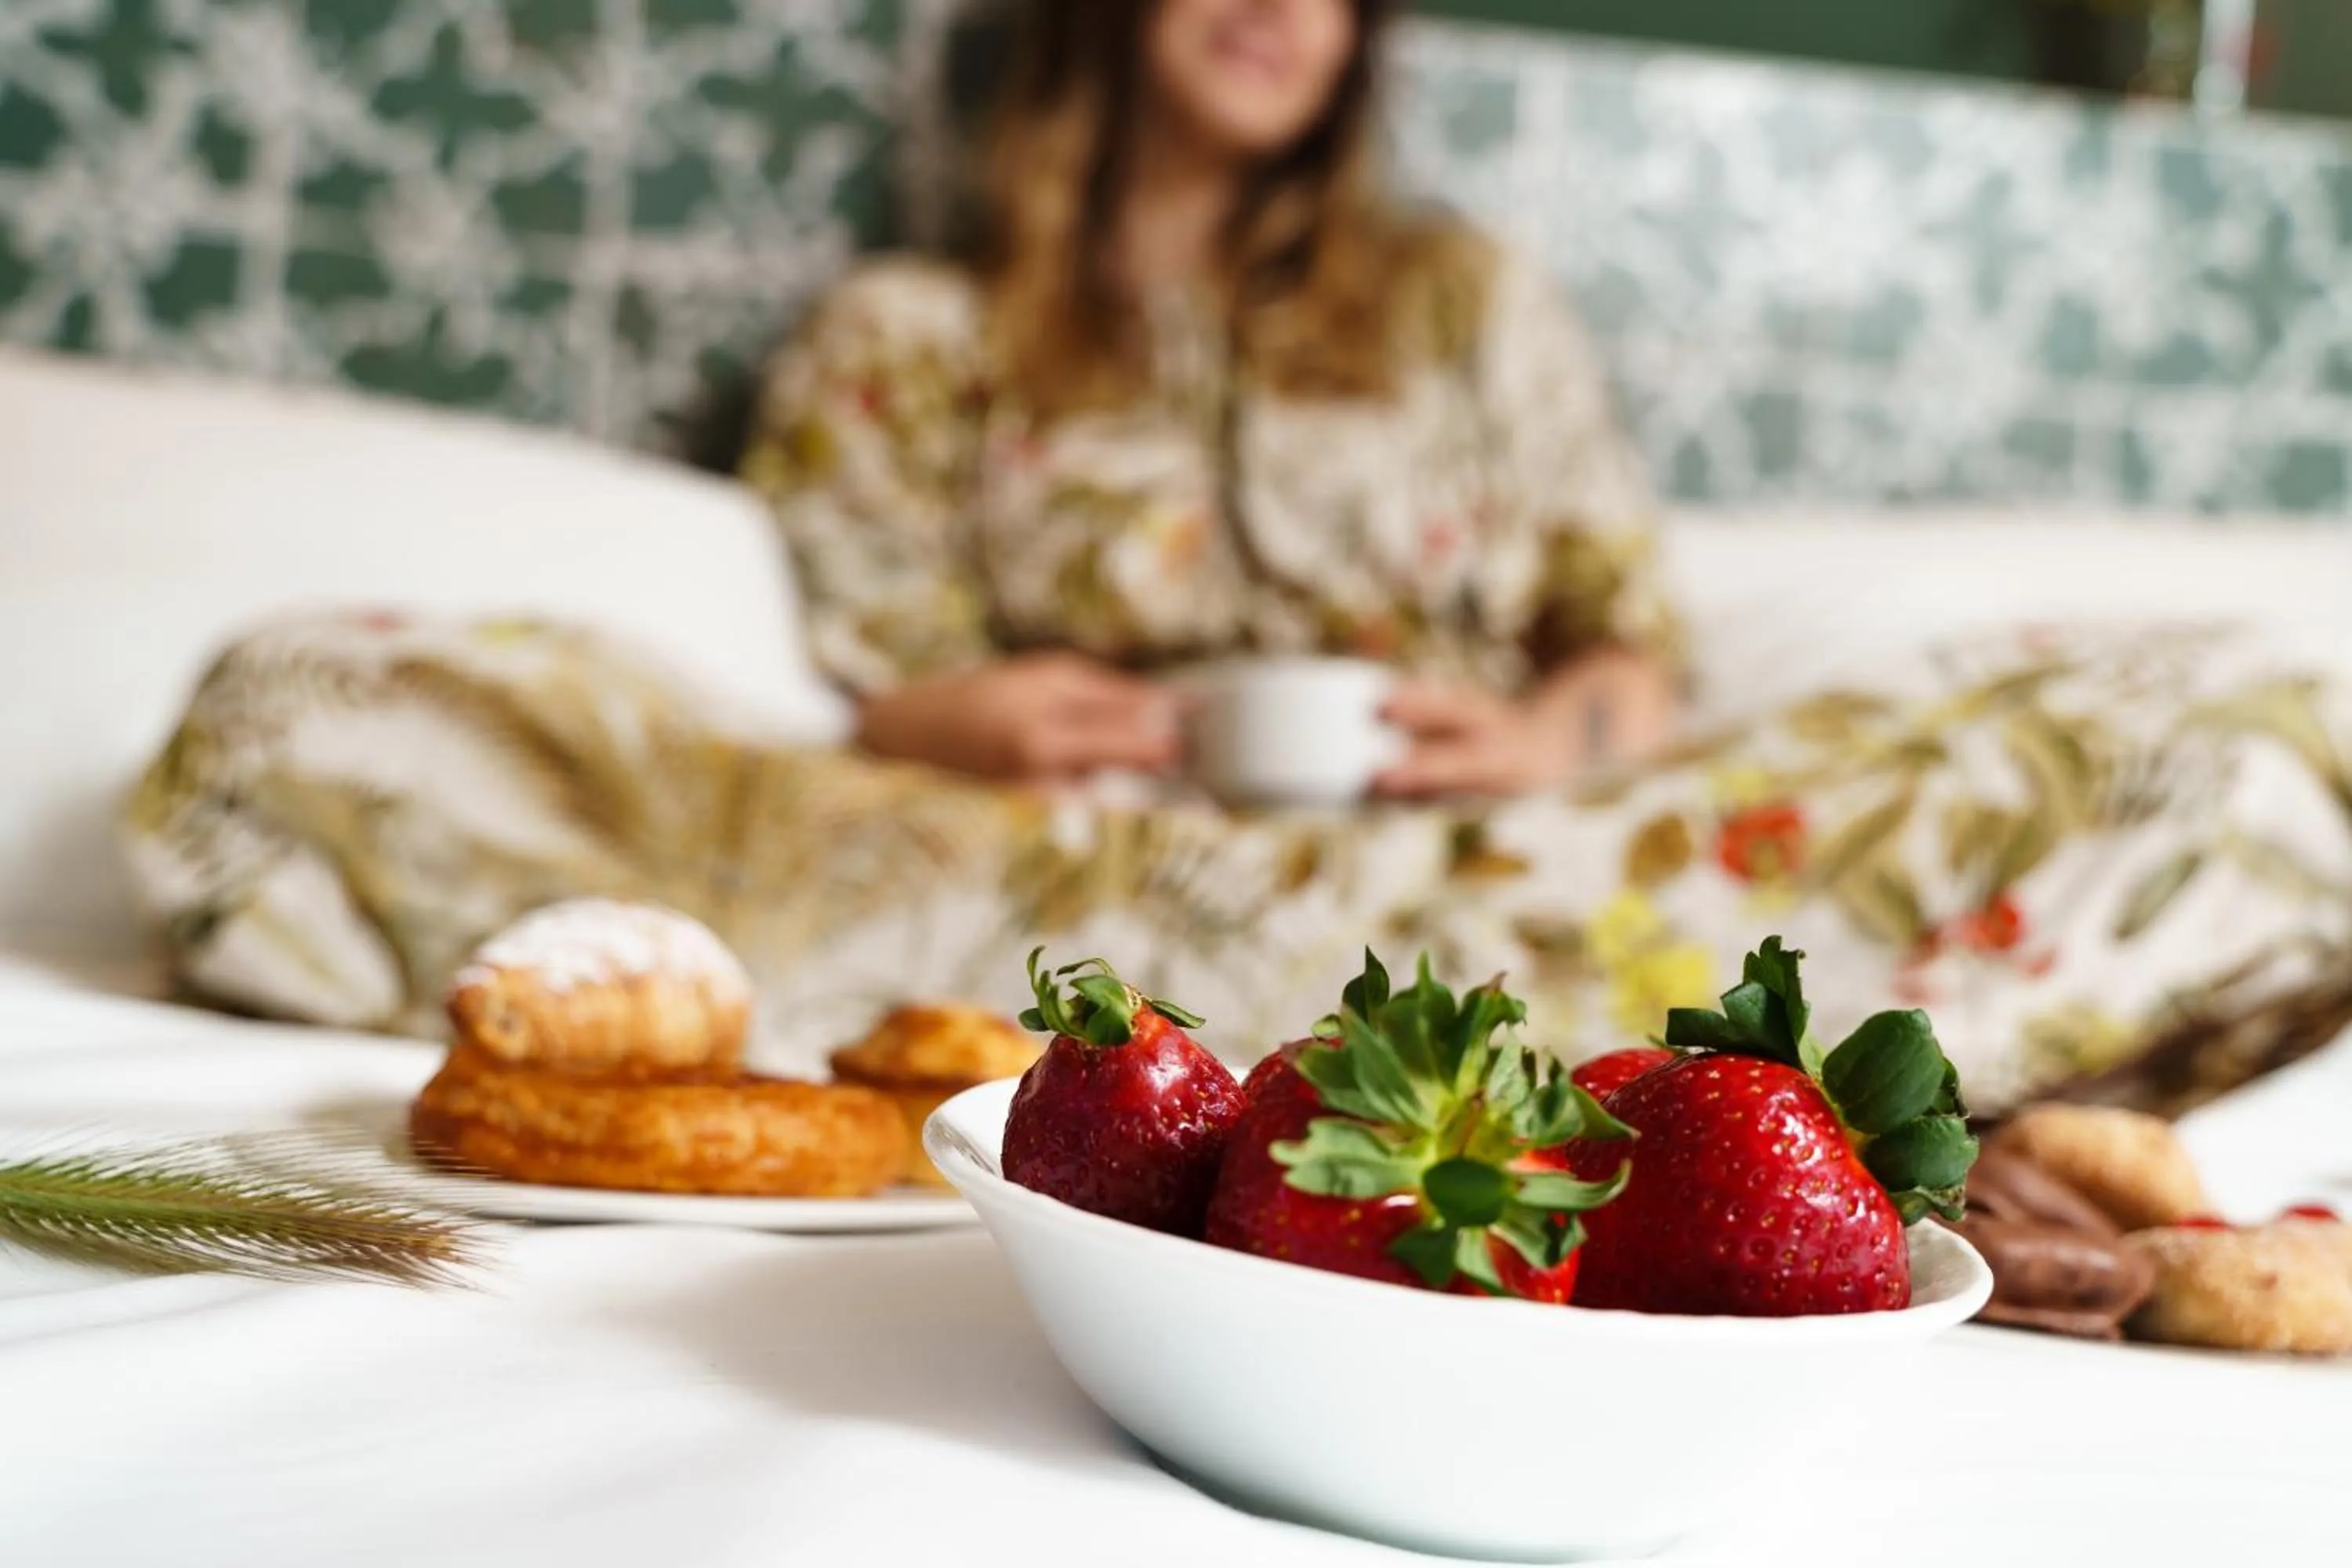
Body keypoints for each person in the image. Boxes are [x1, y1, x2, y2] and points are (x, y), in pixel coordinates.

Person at [127, 0, 2350, 1115]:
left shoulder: (1471, 301)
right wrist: (955, 712)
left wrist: (1534, 736)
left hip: (1507, 882)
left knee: (2236, 717)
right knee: (315, 698)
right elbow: (874, 668)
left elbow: (1626, 659)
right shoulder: (915, 335)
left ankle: (1540, 1055)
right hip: (1045, 889)